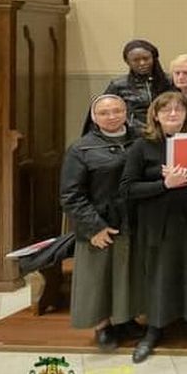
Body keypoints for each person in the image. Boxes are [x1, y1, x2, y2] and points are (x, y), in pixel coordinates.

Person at [121, 92, 187, 363]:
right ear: (156, 115)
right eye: (166, 111)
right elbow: (128, 188)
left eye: (178, 110)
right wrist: (164, 184)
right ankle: (154, 328)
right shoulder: (142, 146)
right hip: (156, 223)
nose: (173, 114)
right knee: (159, 274)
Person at [61, 95, 141, 352]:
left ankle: (125, 320)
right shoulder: (81, 148)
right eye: (104, 113)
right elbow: (71, 195)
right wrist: (94, 227)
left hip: (133, 221)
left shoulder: (139, 140)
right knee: (99, 277)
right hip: (99, 223)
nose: (111, 116)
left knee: (128, 274)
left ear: (125, 112)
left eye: (117, 111)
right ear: (94, 117)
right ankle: (103, 326)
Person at [94, 39, 170, 132]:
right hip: (134, 134)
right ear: (127, 62)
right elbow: (103, 109)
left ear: (154, 58)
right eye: (136, 60)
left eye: (146, 58)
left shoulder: (169, 81)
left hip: (166, 130)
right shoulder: (119, 85)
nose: (142, 63)